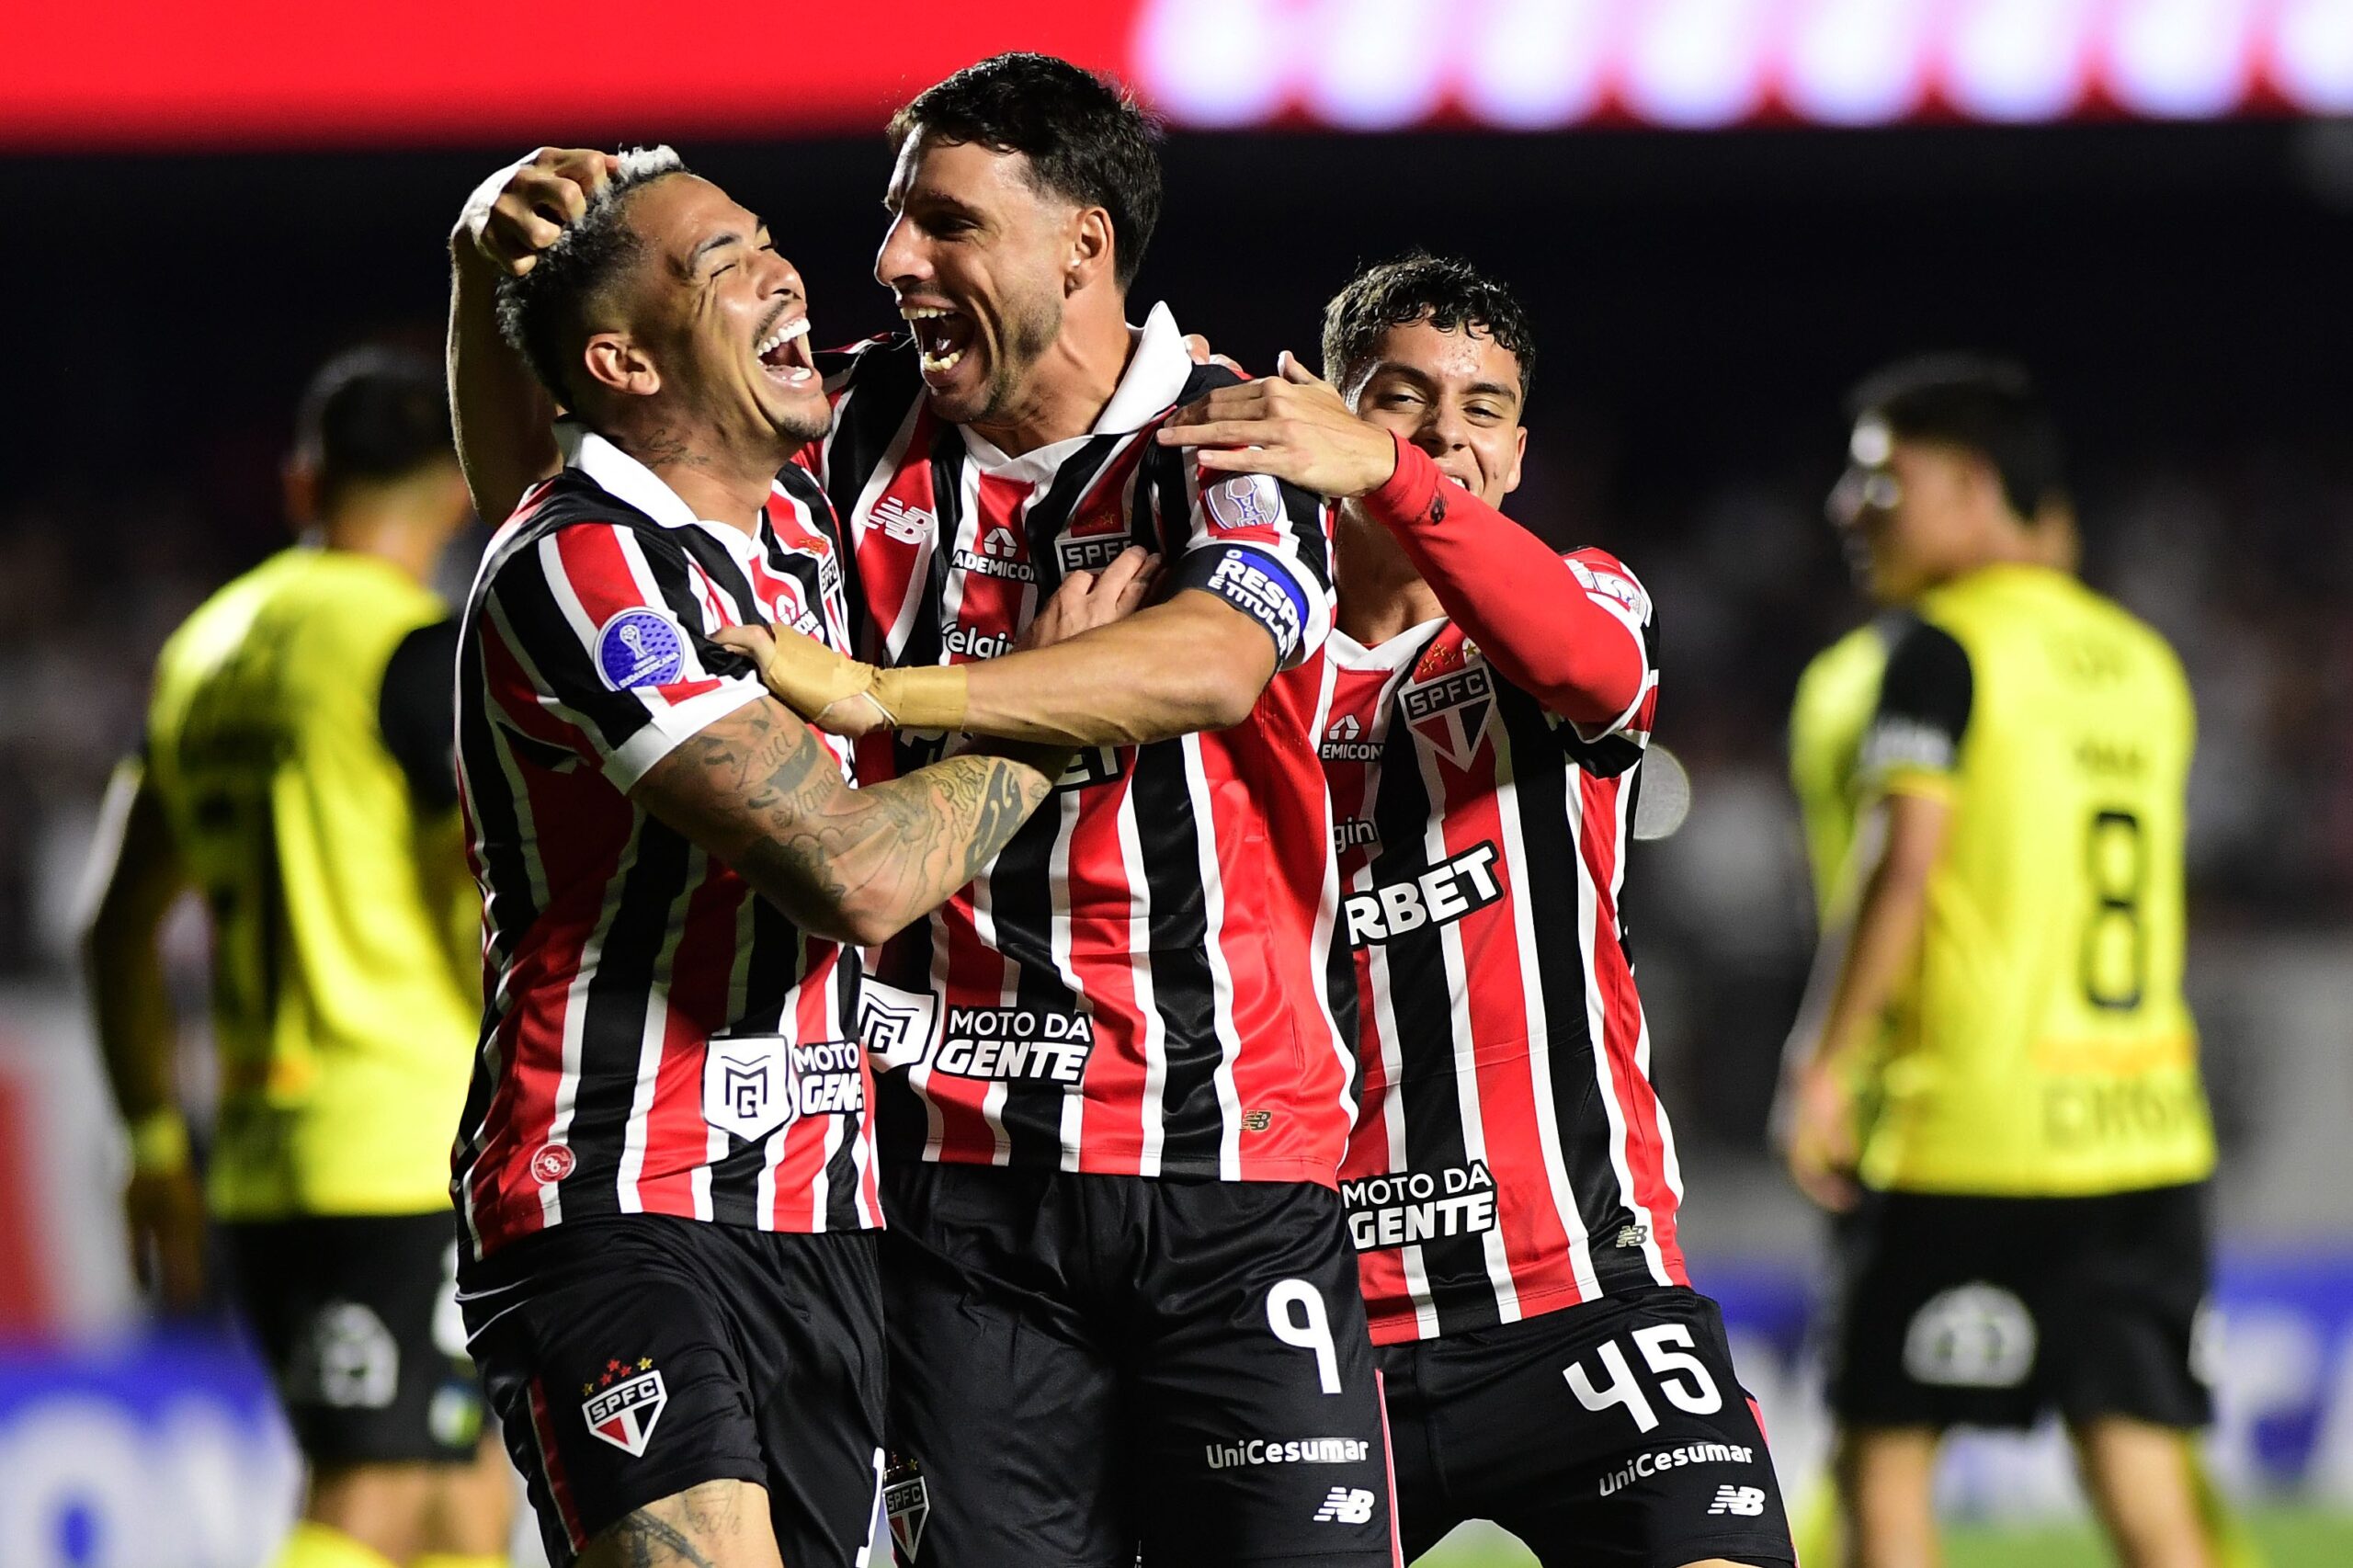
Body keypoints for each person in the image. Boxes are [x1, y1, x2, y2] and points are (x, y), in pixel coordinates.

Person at [446, 54, 1393, 1568]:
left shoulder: (1225, 431)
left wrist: (900, 695)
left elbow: (1219, 662)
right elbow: (595, 489)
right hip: (935, 1185)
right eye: (893, 220)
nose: (886, 261)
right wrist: (485, 275)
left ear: (1080, 245)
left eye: (946, 223)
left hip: (1218, 1159)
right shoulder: (848, 426)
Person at [444, 147, 1086, 1568]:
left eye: (766, 239)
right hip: (616, 1194)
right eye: (719, 263)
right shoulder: (581, 562)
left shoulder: (796, 517)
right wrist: (1053, 720)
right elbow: (853, 874)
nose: (781, 273)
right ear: (625, 362)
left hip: (827, 1213)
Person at [1158, 255, 1795, 1568]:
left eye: (1483, 408)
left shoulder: (1584, 599)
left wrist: (1393, 475)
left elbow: (1587, 664)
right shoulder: (1222, 663)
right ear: (1323, 412)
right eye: (1401, 399)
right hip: (1311, 1320)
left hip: (1583, 1291)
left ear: (1515, 454)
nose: (1446, 432)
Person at [1781, 357, 2221, 1568]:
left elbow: (1903, 864)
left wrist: (1822, 1060)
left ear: (1971, 487)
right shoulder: (2144, 660)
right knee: (2149, 1488)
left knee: (1884, 1470)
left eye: (1882, 480)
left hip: (1962, 1131)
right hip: (2142, 1131)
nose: (1849, 507)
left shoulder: (1932, 653)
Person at [80, 348, 515, 1568]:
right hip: (402, 1144)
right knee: (375, 1490)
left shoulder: (202, 650)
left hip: (266, 1155)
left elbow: (115, 920)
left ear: (301, 485)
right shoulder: (415, 653)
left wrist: (152, 1142)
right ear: (455, 495)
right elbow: (480, 897)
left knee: (466, 1496)